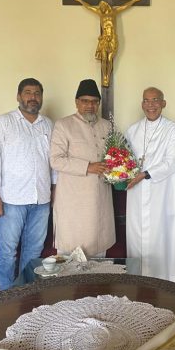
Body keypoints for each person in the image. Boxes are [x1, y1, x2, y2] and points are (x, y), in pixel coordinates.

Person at [0, 78, 55, 291]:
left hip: (41, 199)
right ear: (18, 96)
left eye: (37, 93)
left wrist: (54, 192)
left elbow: (53, 164)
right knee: (8, 251)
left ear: (41, 97)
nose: (33, 97)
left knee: (33, 251)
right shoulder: (3, 122)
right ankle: (6, 295)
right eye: (28, 92)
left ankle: (26, 292)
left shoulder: (48, 124)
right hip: (11, 200)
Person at [126, 87, 175, 284]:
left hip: (162, 193)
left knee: (161, 238)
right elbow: (125, 161)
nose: (150, 105)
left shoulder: (173, 129)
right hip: (136, 193)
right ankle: (138, 282)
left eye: (155, 100)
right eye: (146, 100)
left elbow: (173, 160)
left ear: (163, 103)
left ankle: (165, 283)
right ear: (142, 104)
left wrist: (145, 174)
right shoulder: (132, 130)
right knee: (137, 237)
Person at [49, 79, 115, 257]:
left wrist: (119, 168)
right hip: (73, 201)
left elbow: (114, 156)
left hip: (100, 197)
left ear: (99, 103)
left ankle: (96, 284)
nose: (90, 105)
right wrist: (88, 167)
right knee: (71, 250)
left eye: (94, 101)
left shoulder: (107, 126)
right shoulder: (64, 125)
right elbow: (55, 160)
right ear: (77, 102)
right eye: (85, 101)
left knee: (99, 250)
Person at [73, 0, 142, 86]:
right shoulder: (100, 13)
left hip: (113, 38)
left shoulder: (114, 12)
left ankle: (107, 76)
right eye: (101, 7)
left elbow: (124, 6)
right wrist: (79, 0)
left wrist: (134, 0)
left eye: (103, 6)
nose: (102, 8)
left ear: (106, 6)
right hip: (104, 39)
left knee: (110, 59)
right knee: (104, 59)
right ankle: (104, 77)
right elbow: (89, 7)